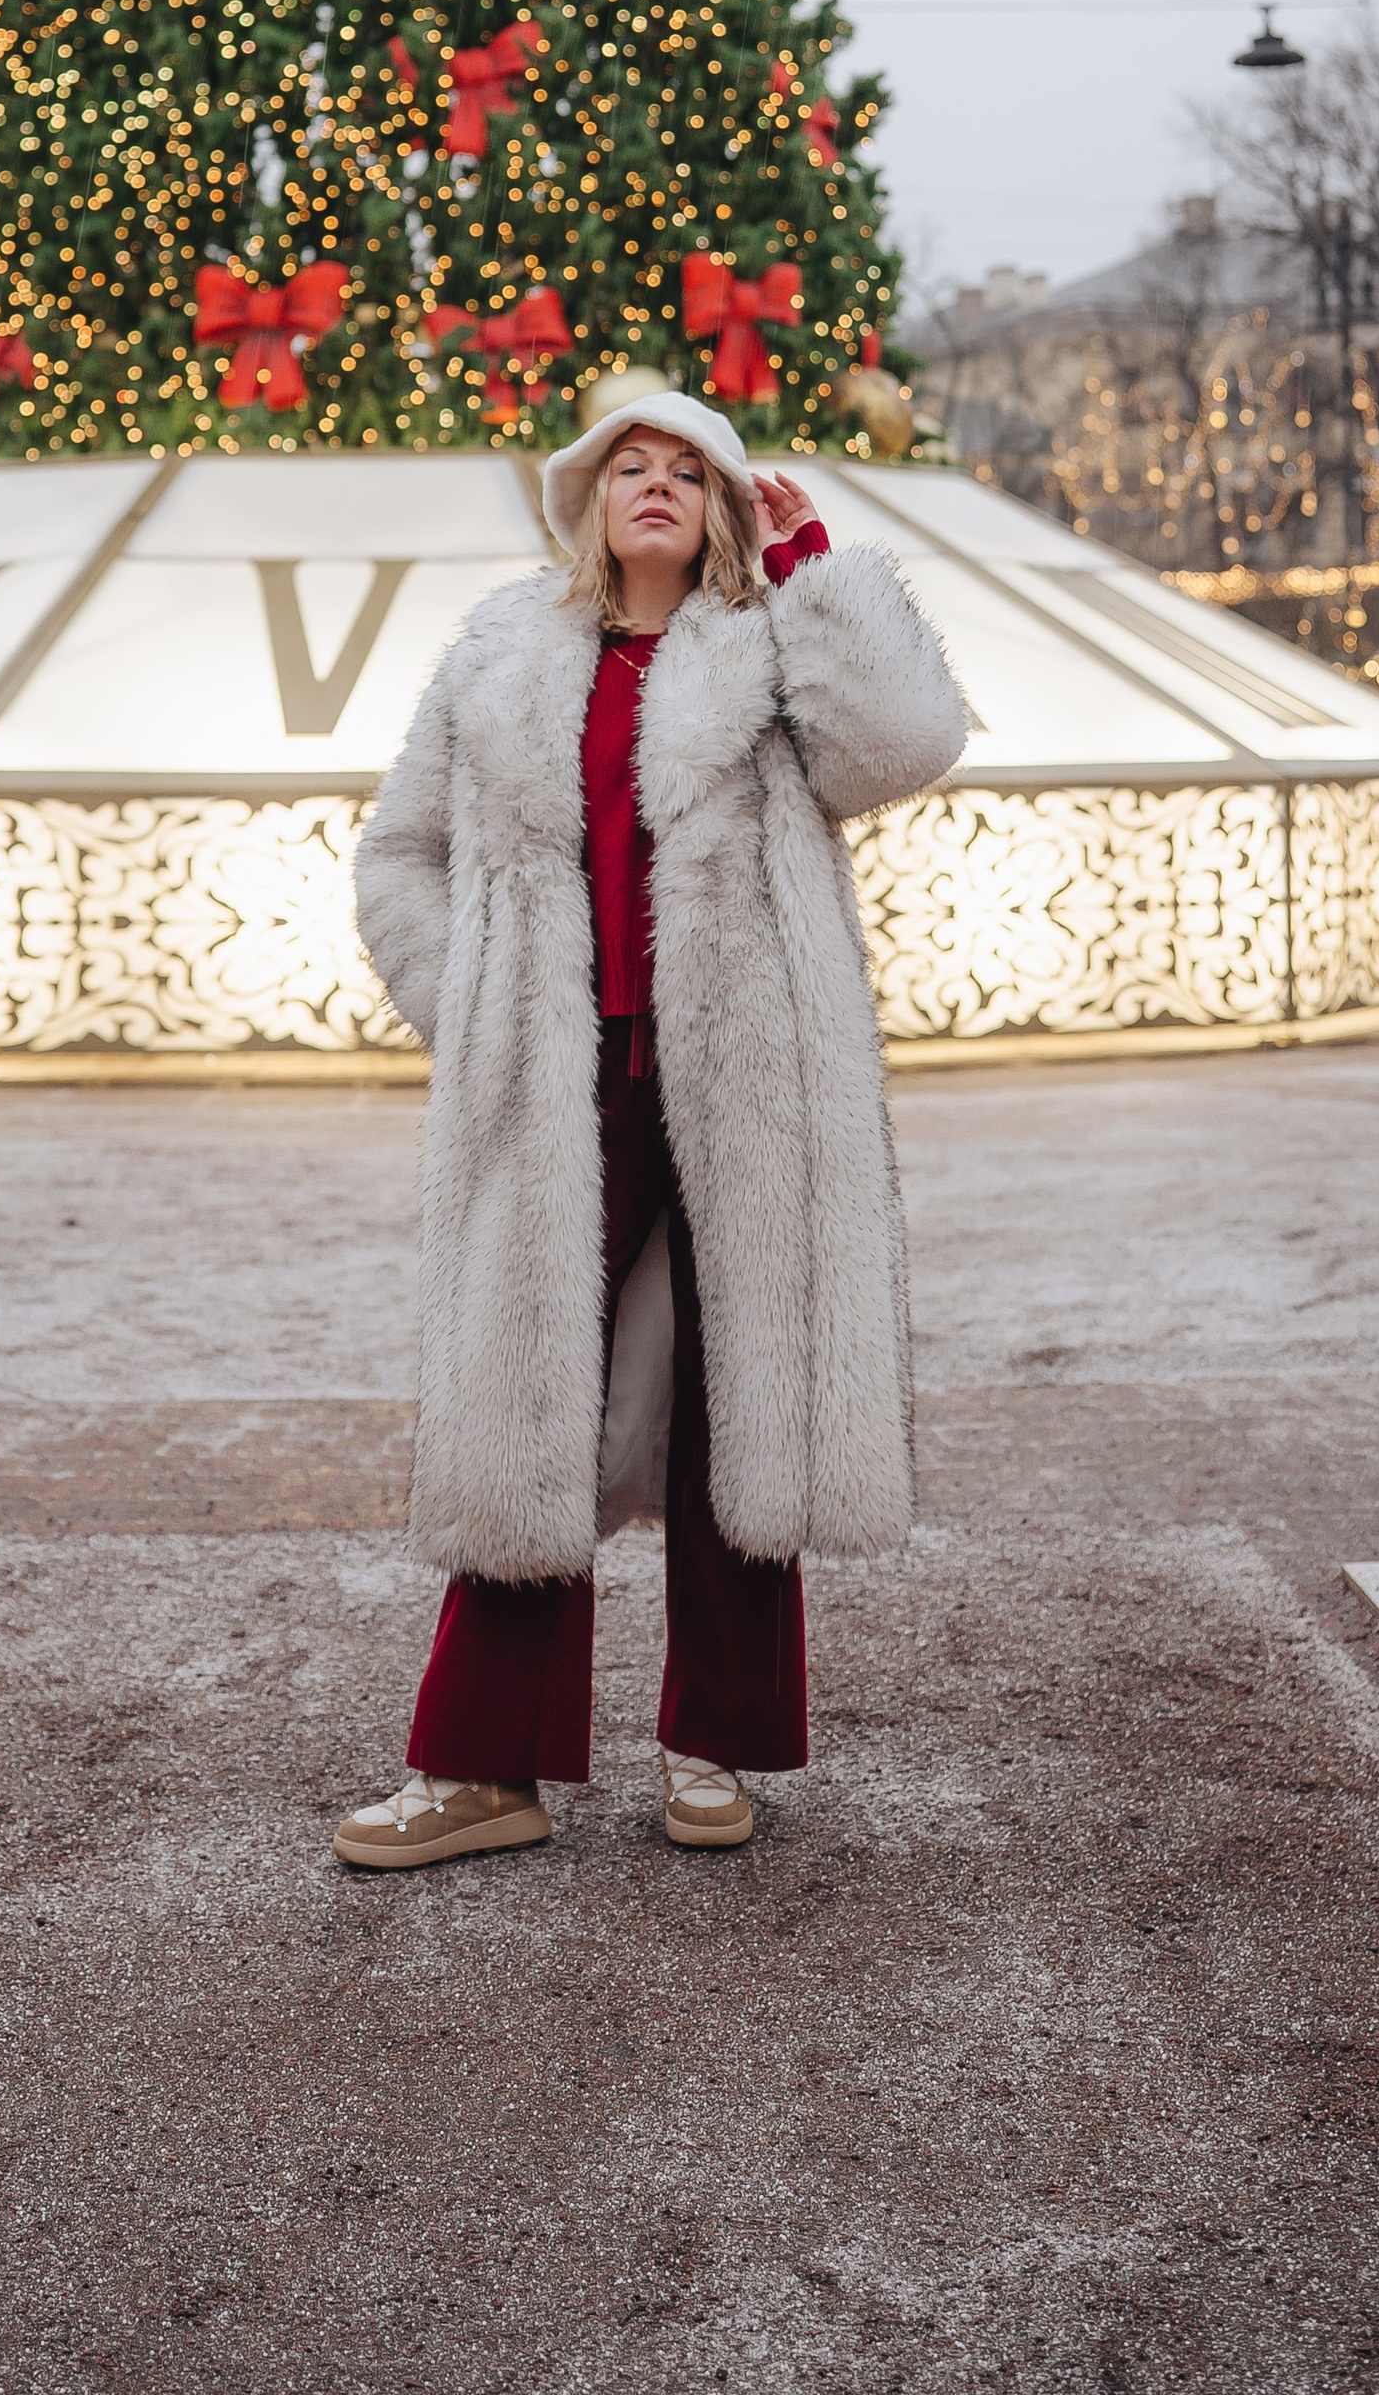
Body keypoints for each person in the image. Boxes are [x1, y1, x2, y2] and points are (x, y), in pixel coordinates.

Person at [336, 392, 967, 1869]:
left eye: (691, 469)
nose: (658, 486)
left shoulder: (771, 647)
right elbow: (399, 855)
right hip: (560, 1078)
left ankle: (714, 1743)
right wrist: (473, 1007)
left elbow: (907, 745)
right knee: (527, 1402)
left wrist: (812, 567)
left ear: (725, 503)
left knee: (738, 1401)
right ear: (590, 496)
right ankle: (481, 1768)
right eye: (632, 465)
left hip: (747, 1079)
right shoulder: (501, 651)